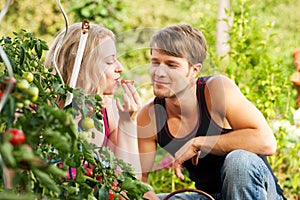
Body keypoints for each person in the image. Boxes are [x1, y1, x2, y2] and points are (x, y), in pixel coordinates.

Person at [137, 24, 286, 200]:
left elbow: (266, 141)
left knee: (239, 161)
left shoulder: (216, 91)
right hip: (209, 197)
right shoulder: (150, 116)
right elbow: (140, 181)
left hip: (258, 193)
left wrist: (199, 143)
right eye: (155, 62)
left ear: (194, 70)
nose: (159, 72)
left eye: (171, 64)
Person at [44, 21, 141, 169]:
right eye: (109, 61)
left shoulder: (107, 112)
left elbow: (127, 184)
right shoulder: (42, 116)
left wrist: (128, 122)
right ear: (80, 68)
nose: (120, 67)